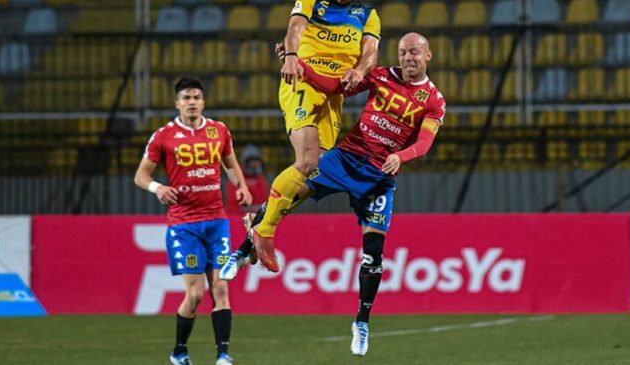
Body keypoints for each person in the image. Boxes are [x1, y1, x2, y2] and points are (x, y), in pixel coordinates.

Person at [222, 33, 446, 357]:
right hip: (345, 158)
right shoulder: (382, 75)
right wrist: (295, 60)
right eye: (402, 52)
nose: (407, 57)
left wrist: (403, 156)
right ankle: (243, 251)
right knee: (290, 194)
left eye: (414, 52)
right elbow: (335, 85)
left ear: (429, 56)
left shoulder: (433, 100)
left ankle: (362, 322)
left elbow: (424, 143)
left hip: (380, 176)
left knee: (373, 253)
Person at [252, 0, 382, 273]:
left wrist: (360, 71)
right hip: (302, 80)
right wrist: (292, 56)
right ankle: (264, 230)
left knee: (314, 171)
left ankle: (261, 216)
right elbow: (295, 27)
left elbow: (370, 54)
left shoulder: (367, 15)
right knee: (308, 159)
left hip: (333, 95)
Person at [134, 77, 252, 365]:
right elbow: (141, 176)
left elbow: (230, 163)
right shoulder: (163, 136)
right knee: (196, 294)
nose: (192, 102)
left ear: (203, 102)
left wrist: (241, 186)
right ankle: (179, 351)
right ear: (177, 104)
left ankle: (223, 355)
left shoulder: (219, 131)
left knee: (221, 287)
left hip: (216, 221)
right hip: (184, 224)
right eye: (186, 98)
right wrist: (158, 188)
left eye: (196, 97)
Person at [224, 143, 269, 216]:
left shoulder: (261, 178)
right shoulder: (236, 177)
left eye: (256, 162)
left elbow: (263, 200)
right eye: (252, 162)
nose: (255, 165)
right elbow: (233, 205)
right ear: (245, 162)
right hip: (237, 219)